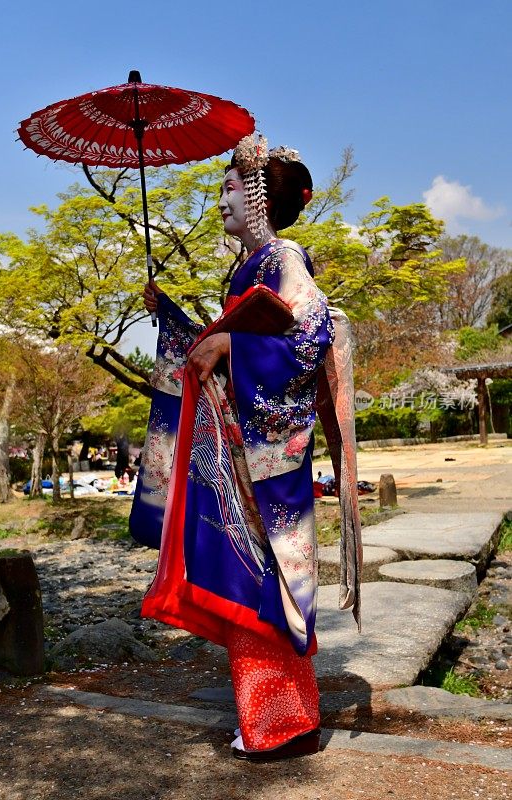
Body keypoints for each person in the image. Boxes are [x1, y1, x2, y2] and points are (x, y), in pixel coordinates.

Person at [131, 134, 362, 762]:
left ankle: (285, 723)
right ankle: (270, 717)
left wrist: (233, 348)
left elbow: (311, 342)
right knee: (248, 575)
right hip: (244, 444)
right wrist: (174, 317)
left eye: (230, 189)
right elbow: (222, 340)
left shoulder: (284, 258)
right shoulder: (250, 266)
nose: (221, 203)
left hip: (268, 454)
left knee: (269, 580)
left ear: (258, 195)